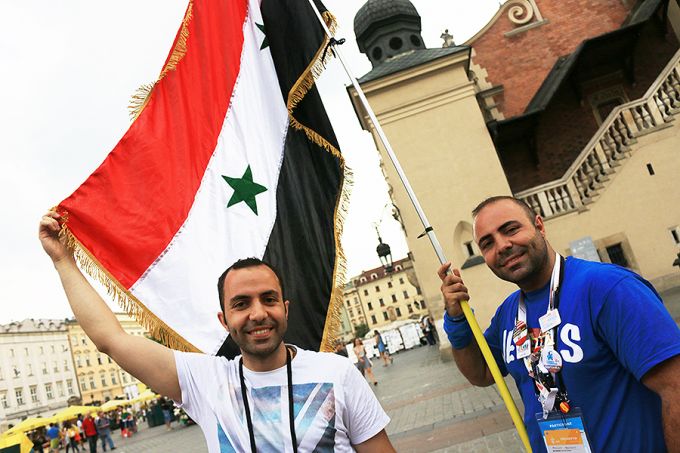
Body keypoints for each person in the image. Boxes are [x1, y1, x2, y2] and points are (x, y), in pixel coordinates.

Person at [39, 211, 394, 452]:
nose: (258, 313)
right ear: (224, 320)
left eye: (268, 299)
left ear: (285, 310)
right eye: (241, 304)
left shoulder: (338, 373)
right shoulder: (206, 381)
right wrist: (63, 261)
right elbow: (111, 340)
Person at [438, 196, 680, 453]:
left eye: (511, 229)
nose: (502, 246)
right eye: (487, 243)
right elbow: (483, 373)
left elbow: (674, 387)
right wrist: (456, 320)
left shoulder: (608, 289)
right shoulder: (508, 313)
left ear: (540, 226)